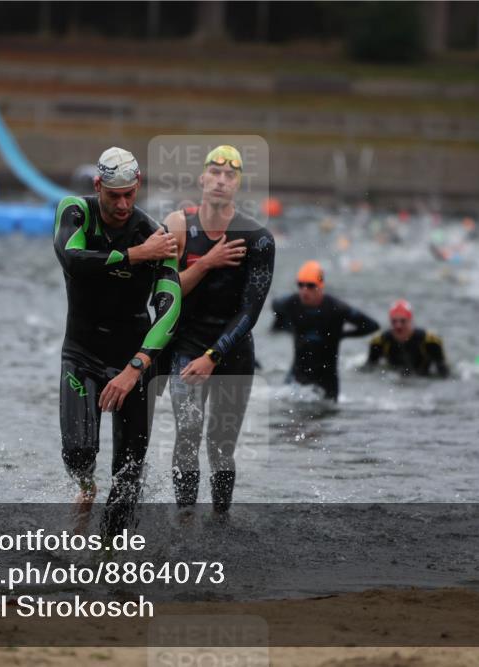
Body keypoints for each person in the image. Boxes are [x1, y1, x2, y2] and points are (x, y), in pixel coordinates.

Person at [53, 146, 182, 533]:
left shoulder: (155, 236)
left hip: (134, 361)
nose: (123, 204)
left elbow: (171, 309)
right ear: (98, 186)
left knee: (128, 477)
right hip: (82, 353)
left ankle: (112, 558)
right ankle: (85, 491)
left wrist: (136, 367)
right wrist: (134, 256)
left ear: (138, 185)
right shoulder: (76, 211)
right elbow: (72, 257)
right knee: (79, 453)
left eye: (130, 194)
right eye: (114, 196)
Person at [161, 145, 275, 513]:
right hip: (186, 347)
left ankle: (221, 519)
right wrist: (207, 262)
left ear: (238, 184)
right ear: (202, 178)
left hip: (233, 352)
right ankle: (184, 519)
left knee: (221, 445)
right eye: (216, 173)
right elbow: (163, 293)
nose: (222, 181)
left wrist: (214, 355)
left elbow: (250, 311)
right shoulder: (178, 226)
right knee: (188, 436)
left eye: (230, 175)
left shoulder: (257, 238)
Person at [271, 260, 379, 400]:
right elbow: (274, 305)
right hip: (296, 376)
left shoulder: (337, 308)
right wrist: (283, 326)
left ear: (320, 286)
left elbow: (372, 325)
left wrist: (343, 335)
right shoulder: (292, 302)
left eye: (310, 285)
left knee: (327, 417)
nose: (304, 290)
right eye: (300, 285)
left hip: (326, 380)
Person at [364, 299, 449, 377]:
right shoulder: (379, 342)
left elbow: (444, 372)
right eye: (394, 321)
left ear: (410, 321)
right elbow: (369, 369)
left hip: (423, 378)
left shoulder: (430, 341)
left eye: (403, 321)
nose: (398, 326)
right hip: (394, 379)